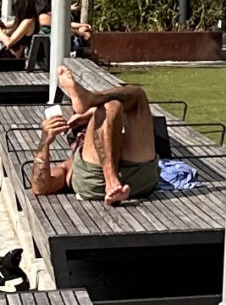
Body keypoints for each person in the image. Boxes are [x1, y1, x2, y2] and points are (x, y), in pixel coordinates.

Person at [29, 67, 160, 205]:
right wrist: (44, 142)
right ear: (80, 138)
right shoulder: (69, 165)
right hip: (111, 180)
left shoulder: (113, 132)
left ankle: (92, 99)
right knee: (111, 107)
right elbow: (39, 188)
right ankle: (111, 180)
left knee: (137, 94)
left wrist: (88, 114)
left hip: (140, 177)